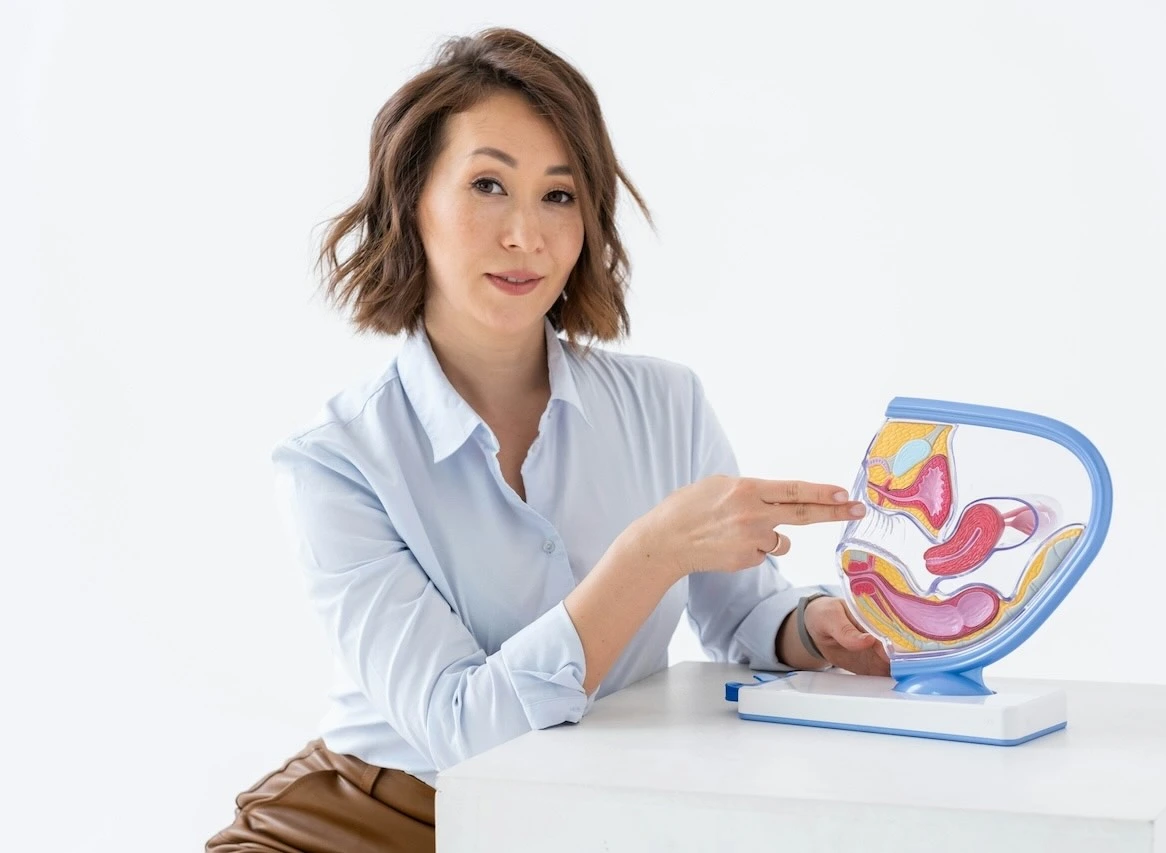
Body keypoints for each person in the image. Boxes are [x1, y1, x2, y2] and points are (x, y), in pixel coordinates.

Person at [205, 26, 889, 853]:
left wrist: (818, 628)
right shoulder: (336, 461)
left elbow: (742, 612)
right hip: (370, 818)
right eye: (488, 184)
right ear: (412, 201)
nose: (525, 235)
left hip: (580, 822)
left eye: (558, 195)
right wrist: (649, 554)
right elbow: (463, 728)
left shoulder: (666, 404)